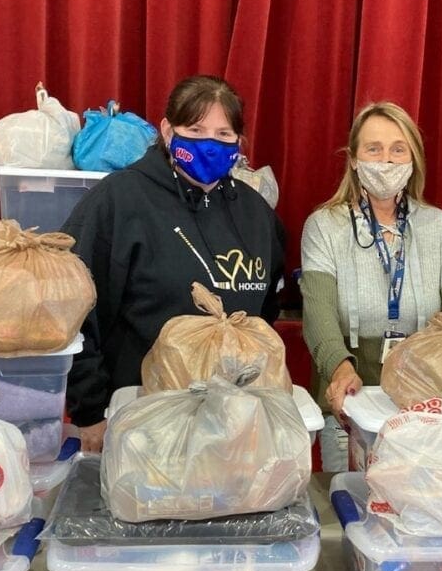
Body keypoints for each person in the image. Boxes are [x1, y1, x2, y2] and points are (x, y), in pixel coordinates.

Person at [62, 75, 286, 451]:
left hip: (234, 424)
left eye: (223, 134)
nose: (209, 144)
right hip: (140, 416)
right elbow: (74, 310)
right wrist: (89, 411)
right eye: (195, 130)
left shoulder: (256, 214)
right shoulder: (119, 201)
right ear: (167, 130)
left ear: (238, 141)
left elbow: (267, 309)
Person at [301, 100, 442, 466]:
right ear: (354, 159)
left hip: (423, 395)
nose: (386, 160)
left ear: (413, 159)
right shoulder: (325, 226)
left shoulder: (437, 227)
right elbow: (318, 312)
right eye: (374, 149)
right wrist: (339, 370)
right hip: (348, 394)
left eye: (398, 150)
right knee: (349, 494)